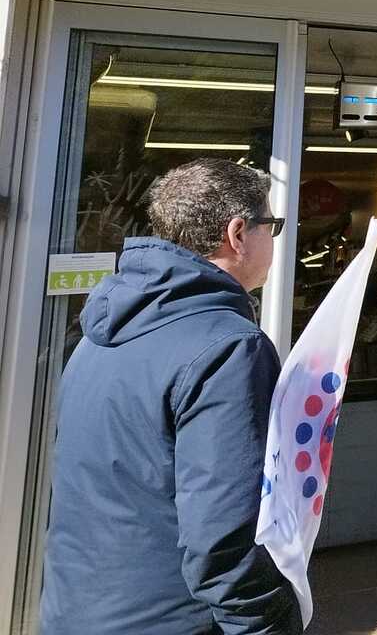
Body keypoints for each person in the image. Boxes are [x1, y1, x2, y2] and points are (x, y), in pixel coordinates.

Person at [40, 159, 302, 635]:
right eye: (272, 225)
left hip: (76, 607)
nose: (274, 240)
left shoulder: (102, 328)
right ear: (238, 233)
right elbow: (225, 533)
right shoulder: (229, 347)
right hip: (176, 617)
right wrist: (265, 623)